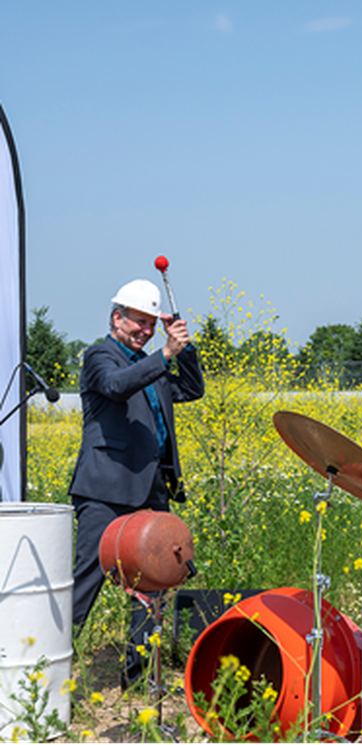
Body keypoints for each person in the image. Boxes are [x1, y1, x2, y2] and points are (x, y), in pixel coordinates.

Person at [69, 278, 204, 688]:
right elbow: (115, 386)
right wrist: (164, 353)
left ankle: (139, 674)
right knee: (87, 578)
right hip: (105, 490)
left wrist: (183, 346)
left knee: (154, 580)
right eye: (139, 322)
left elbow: (191, 388)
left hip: (151, 489)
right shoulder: (100, 356)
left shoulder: (153, 362)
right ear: (117, 317)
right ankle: (46, 660)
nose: (144, 330)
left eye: (151, 324)